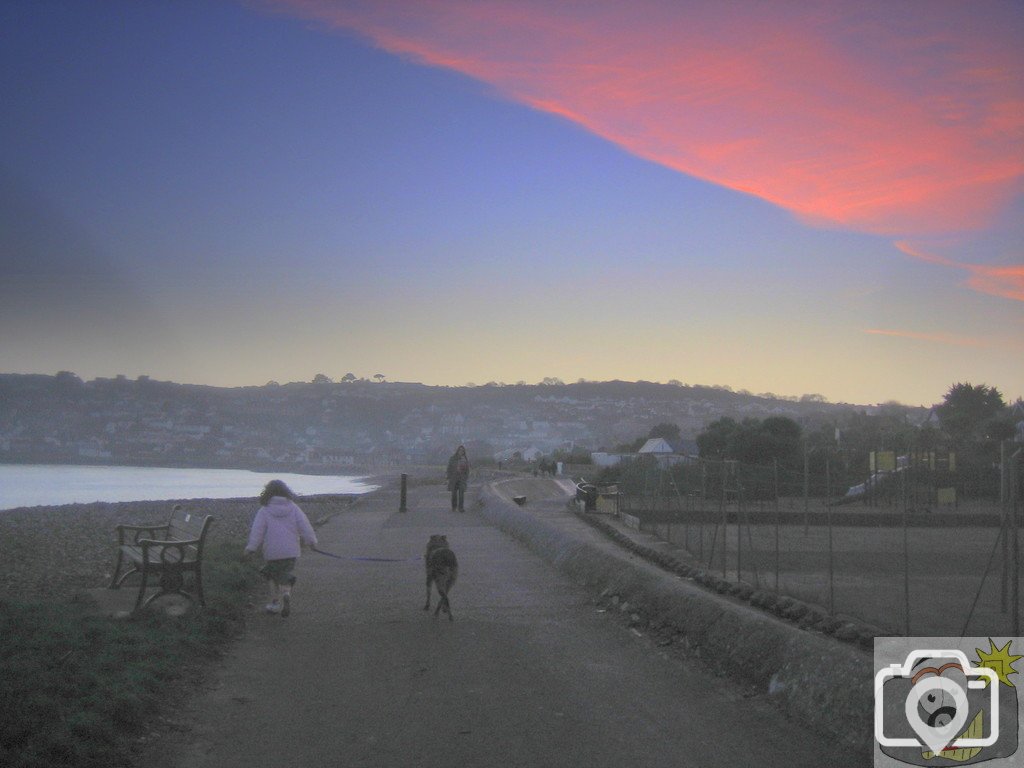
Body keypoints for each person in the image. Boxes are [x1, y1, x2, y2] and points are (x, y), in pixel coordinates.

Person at [245, 479, 318, 617]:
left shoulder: (264, 510)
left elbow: (257, 531)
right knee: (285, 575)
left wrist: (251, 548)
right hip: (290, 551)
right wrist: (311, 542)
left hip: (272, 551)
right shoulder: (293, 507)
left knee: (272, 576)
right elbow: (305, 526)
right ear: (286, 492)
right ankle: (286, 594)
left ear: (267, 493)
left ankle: (274, 602)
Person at [446, 445, 470, 512]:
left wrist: (466, 477)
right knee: (454, 494)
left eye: (462, 450)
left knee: (461, 494)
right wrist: (448, 477)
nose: (461, 451)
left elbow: (468, 470)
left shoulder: (465, 459)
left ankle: (461, 508)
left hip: (462, 479)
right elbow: (449, 468)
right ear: (458, 450)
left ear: (464, 452)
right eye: (460, 450)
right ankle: (454, 507)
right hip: (454, 478)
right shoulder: (452, 458)